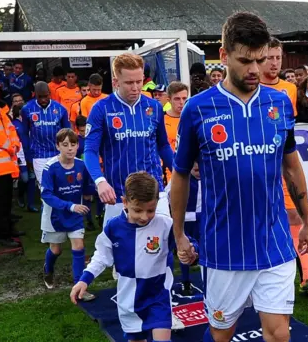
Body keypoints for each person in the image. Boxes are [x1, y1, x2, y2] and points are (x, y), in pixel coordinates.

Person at [170, 11, 308, 342]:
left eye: (260, 60)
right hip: (224, 248)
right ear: (223, 56)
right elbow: (180, 176)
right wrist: (179, 234)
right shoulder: (197, 109)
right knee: (222, 334)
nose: (255, 70)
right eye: (245, 61)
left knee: (279, 335)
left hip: (273, 242)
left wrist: (307, 220)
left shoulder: (279, 103)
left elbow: (291, 165)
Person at [71, 172, 196, 342]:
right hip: (129, 301)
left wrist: (191, 251)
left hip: (158, 297)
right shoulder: (113, 228)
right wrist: (84, 279)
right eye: (138, 210)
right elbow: (101, 256)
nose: (145, 217)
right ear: (124, 202)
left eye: (150, 210)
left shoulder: (165, 224)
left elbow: (186, 242)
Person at [260, 37, 308, 297]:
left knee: (296, 216)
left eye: (278, 57)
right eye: (270, 57)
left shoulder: (289, 89)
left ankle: (306, 279)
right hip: (260, 167)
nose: (274, 62)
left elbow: (290, 129)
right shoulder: (251, 87)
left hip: (284, 164)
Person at [84, 53, 174, 227]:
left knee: (159, 248)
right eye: (129, 83)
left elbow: (163, 145)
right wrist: (100, 181)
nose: (135, 87)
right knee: (118, 250)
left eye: (139, 81)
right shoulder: (101, 109)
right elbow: (90, 150)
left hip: (154, 193)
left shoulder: (154, 107)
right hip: (118, 195)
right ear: (116, 82)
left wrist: (179, 171)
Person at [40, 128, 95, 299]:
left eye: (73, 144)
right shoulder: (50, 168)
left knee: (79, 247)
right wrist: (70, 206)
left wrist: (91, 193)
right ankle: (48, 270)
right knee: (56, 250)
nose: (70, 148)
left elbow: (86, 186)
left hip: (74, 215)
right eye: (65, 145)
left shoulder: (81, 165)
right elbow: (46, 194)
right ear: (58, 146)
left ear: (78, 146)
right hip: (54, 216)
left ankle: (79, 288)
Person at [21, 82, 70, 186]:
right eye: (40, 97)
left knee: (60, 186)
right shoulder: (27, 109)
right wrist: (28, 155)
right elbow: (24, 134)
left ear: (50, 94)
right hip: (39, 155)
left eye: (45, 96)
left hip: (58, 154)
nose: (43, 100)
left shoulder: (61, 109)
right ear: (34, 94)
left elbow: (67, 133)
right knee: (44, 188)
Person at [165, 163, 201, 296]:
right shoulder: (180, 179)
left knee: (204, 251)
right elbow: (168, 197)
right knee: (184, 250)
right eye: (196, 169)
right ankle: (185, 281)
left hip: (202, 222)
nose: (199, 173)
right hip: (184, 222)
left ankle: (207, 279)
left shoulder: (210, 177)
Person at [0, 75, 21, 247]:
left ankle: (7, 230)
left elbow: (11, 130)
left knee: (5, 202)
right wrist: (10, 146)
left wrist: (15, 144)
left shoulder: (0, 110)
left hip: (6, 166)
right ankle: (1, 235)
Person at [11, 100, 38, 212]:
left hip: (31, 154)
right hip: (20, 155)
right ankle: (20, 196)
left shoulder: (31, 123)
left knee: (32, 178)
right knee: (25, 179)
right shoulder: (14, 124)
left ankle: (31, 204)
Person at [162, 81, 189, 183]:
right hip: (167, 173)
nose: (181, 102)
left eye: (184, 98)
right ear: (169, 100)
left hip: (189, 171)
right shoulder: (162, 119)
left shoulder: (192, 119)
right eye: (177, 99)